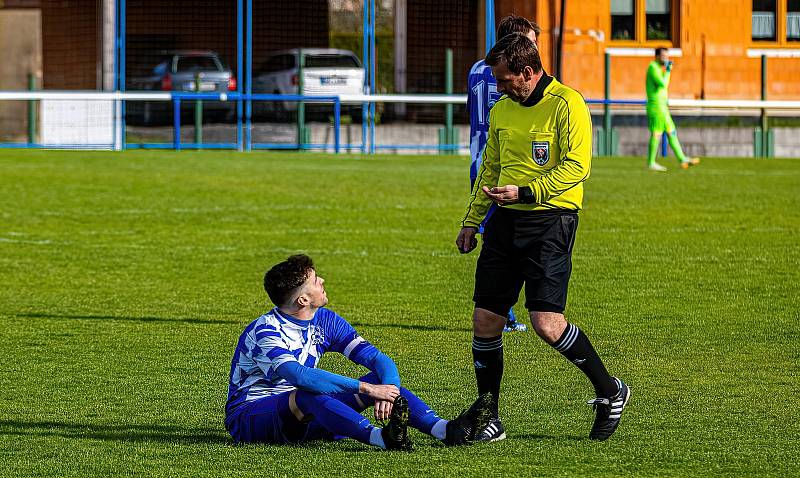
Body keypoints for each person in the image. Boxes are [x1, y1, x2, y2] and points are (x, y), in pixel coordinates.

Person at [456, 34, 630, 442]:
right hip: (505, 221)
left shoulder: (568, 104)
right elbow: (490, 167)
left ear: (529, 73)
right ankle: (489, 415)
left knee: (547, 324)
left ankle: (610, 391)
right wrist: (471, 221)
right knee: (486, 319)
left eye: (504, 80)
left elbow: (577, 167)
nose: (498, 88)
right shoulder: (503, 110)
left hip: (551, 220)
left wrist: (528, 192)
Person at [225, 254, 494, 450]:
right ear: (303, 300)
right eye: (315, 280)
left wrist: (388, 390)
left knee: (379, 379)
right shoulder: (265, 331)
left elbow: (378, 359)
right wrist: (367, 389)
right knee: (309, 393)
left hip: (306, 418)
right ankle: (381, 438)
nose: (322, 281)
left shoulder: (325, 320)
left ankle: (448, 430)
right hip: (251, 419)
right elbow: (300, 377)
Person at [467, 14, 540, 334]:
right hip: (506, 161)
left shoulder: (475, 70)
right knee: (509, 237)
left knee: (495, 237)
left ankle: (498, 309)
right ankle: (503, 310)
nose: (533, 48)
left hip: (479, 161)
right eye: (528, 42)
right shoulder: (509, 77)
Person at [646, 47, 700, 171]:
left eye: (667, 56)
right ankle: (651, 163)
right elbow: (663, 84)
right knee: (657, 133)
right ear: (657, 56)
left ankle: (682, 159)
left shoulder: (658, 68)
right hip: (656, 106)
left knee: (671, 131)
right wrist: (669, 70)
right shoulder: (653, 67)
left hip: (662, 106)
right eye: (664, 56)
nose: (666, 58)